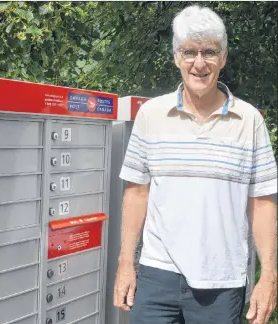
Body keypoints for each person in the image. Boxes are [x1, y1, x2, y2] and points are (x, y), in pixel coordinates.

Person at [113, 4, 277, 324]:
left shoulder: (249, 122)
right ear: (176, 57)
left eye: (209, 52)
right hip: (156, 276)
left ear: (224, 57)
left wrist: (269, 276)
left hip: (221, 283)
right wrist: (125, 263)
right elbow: (136, 194)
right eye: (190, 52)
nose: (199, 63)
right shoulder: (151, 115)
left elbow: (262, 203)